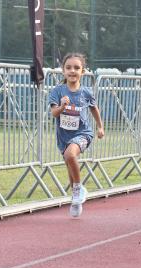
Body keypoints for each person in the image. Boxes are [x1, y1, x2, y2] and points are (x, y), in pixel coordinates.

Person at [49, 53, 104, 217]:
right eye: (68, 68)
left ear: (83, 71)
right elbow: (54, 113)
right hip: (64, 136)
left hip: (83, 134)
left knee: (70, 154)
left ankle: (79, 189)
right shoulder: (58, 91)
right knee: (69, 163)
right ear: (63, 71)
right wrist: (62, 106)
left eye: (76, 68)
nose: (72, 71)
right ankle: (75, 199)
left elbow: (94, 108)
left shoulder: (86, 92)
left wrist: (100, 127)